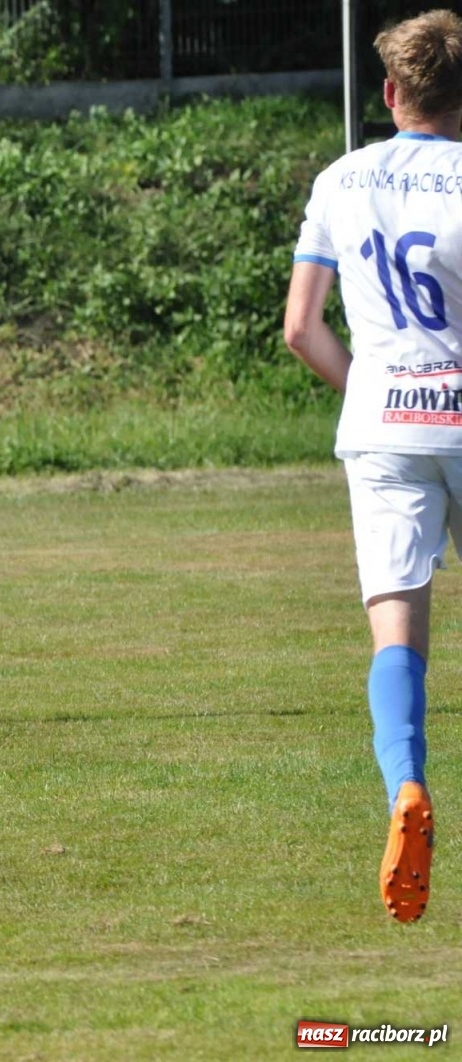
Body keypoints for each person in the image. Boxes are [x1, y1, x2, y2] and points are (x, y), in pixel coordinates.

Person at [283, 8, 462, 922]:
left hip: (386, 423)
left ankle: (407, 787)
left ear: (391, 94)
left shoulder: (341, 179)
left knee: (398, 635)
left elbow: (300, 329)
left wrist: (370, 393)